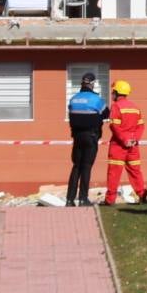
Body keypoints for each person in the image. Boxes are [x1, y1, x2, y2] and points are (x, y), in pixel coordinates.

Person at [66, 72, 108, 207]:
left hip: (77, 137)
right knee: (86, 167)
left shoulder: (73, 99)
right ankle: (83, 199)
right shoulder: (96, 99)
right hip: (90, 137)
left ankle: (69, 199)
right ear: (93, 84)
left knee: (76, 167)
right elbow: (107, 113)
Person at [103, 79, 147, 206]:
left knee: (114, 172)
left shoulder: (116, 106)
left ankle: (110, 200)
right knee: (135, 171)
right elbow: (141, 126)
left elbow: (114, 127)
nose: (112, 94)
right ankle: (142, 194)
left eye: (113, 92)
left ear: (117, 92)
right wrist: (134, 140)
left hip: (119, 145)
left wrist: (124, 140)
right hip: (133, 146)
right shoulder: (135, 107)